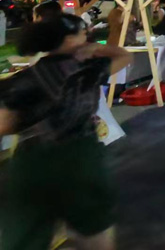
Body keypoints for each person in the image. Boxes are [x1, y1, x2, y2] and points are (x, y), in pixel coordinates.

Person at [0, 15, 132, 250]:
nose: (87, 38)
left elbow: (4, 125)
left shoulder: (23, 79)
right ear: (70, 40)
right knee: (94, 230)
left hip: (29, 165)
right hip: (79, 161)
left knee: (25, 236)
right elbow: (124, 56)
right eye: (83, 34)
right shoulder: (87, 69)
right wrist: (94, 49)